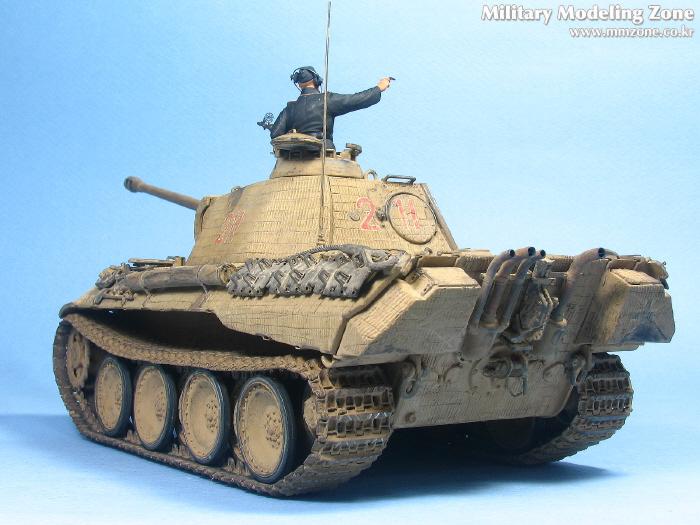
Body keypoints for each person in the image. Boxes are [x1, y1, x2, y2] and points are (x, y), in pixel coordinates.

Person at [269, 66, 392, 149]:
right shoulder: (327, 100)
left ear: (299, 84)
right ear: (317, 80)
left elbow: (275, 134)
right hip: (323, 154)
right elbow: (357, 99)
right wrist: (378, 88)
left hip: (294, 159)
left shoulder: (290, 108)